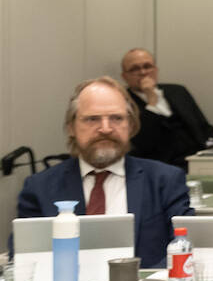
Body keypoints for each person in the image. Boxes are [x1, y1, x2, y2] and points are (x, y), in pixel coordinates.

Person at [15, 79, 191, 270]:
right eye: (92, 119)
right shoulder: (40, 188)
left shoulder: (165, 181)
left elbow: (185, 248)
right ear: (71, 127)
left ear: (131, 126)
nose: (106, 128)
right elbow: (24, 260)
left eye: (117, 118)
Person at [122, 49, 213, 170]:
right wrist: (152, 102)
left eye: (147, 66)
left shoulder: (178, 91)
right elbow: (141, 142)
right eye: (135, 69)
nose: (143, 72)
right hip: (160, 164)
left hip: (197, 157)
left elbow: (202, 126)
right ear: (124, 76)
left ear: (156, 69)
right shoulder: (123, 101)